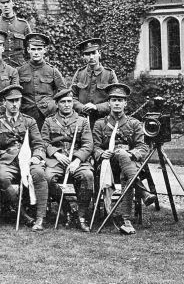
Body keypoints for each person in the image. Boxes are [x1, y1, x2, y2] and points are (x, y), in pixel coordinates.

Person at [0, 84, 48, 231]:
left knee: (39, 173)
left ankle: (40, 218)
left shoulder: (29, 121)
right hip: (7, 162)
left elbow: (39, 144)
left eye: (17, 100)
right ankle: (24, 215)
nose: (14, 104)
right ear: (4, 102)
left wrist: (37, 157)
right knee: (2, 177)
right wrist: (0, 157)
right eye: (11, 101)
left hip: (27, 160)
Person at [92, 83, 149, 235]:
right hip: (109, 165)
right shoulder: (100, 124)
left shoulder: (134, 123)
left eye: (120, 100)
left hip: (128, 165)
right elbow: (95, 147)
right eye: (114, 100)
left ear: (125, 103)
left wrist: (131, 154)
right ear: (109, 103)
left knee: (125, 169)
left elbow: (143, 147)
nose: (117, 103)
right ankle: (143, 192)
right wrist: (101, 153)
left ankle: (126, 220)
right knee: (121, 157)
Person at [41, 89, 94, 232]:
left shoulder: (82, 121)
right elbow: (43, 142)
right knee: (47, 177)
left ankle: (81, 216)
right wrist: (56, 154)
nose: (67, 105)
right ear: (57, 104)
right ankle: (67, 208)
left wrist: (77, 160)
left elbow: (88, 144)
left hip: (77, 160)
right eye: (63, 102)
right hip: (57, 160)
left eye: (69, 101)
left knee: (88, 176)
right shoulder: (49, 121)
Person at [17, 33, 66, 128]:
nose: (36, 52)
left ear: (44, 50)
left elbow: (63, 92)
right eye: (33, 49)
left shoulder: (52, 71)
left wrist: (54, 106)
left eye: (39, 49)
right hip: (26, 114)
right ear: (28, 50)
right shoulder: (20, 71)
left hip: (48, 115)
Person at [71, 38, 118, 126]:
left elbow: (116, 100)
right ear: (83, 56)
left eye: (94, 53)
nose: (91, 57)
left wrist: (97, 107)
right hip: (81, 120)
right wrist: (81, 107)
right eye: (87, 54)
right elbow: (71, 97)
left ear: (99, 53)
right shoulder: (79, 73)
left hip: (104, 121)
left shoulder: (109, 74)